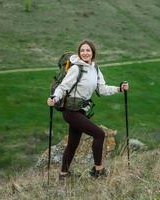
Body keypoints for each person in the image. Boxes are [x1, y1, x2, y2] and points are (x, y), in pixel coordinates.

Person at [47, 40, 129, 178]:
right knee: (99, 134)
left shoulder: (95, 68)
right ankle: (98, 170)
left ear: (93, 53)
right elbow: (63, 87)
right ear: (79, 53)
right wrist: (54, 98)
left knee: (73, 144)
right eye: (82, 50)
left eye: (88, 50)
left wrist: (119, 89)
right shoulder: (76, 68)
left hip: (81, 111)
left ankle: (63, 174)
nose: (85, 53)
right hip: (70, 111)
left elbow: (102, 89)